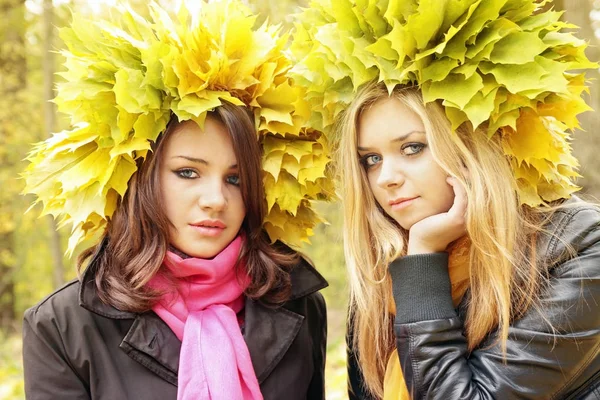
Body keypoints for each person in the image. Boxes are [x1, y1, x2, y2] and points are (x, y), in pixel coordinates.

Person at [289, 0, 600, 399]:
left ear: (472, 146)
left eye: (414, 148)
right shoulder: (383, 275)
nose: (386, 178)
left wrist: (423, 262)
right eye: (370, 159)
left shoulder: (575, 247)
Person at [21, 1, 331, 399]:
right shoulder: (62, 326)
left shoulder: (300, 307)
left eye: (235, 179)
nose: (216, 199)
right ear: (139, 180)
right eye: (188, 172)